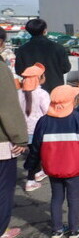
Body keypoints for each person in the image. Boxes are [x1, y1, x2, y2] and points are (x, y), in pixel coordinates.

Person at [25, 85, 79, 238]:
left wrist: (30, 166)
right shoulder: (78, 119)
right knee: (74, 199)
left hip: (52, 168)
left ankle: (57, 229)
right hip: (73, 168)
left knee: (56, 198)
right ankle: (74, 229)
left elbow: (36, 148)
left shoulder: (44, 121)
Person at [0, 51, 28, 238]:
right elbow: (7, 106)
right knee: (3, 187)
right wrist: (19, 137)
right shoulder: (1, 69)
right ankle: (1, 229)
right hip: (1, 140)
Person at [14, 18, 71, 93]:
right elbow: (66, 68)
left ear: (28, 31)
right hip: (55, 89)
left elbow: (19, 70)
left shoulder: (22, 49)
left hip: (32, 90)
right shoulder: (58, 48)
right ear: (45, 30)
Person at [18, 63, 50, 192]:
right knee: (36, 154)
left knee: (33, 153)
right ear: (39, 78)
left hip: (23, 130)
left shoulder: (18, 93)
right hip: (38, 130)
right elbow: (48, 112)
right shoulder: (42, 94)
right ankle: (31, 180)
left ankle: (38, 172)